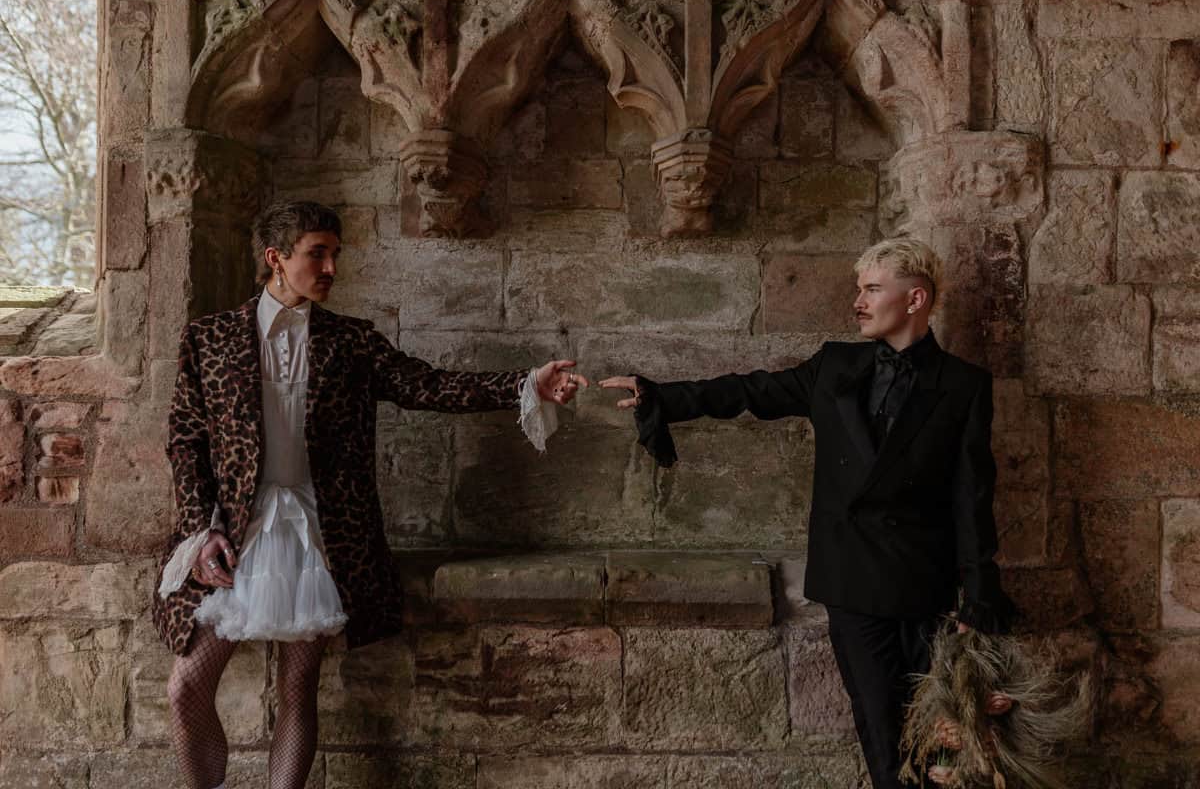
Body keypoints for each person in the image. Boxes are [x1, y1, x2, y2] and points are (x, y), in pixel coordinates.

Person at [151, 200, 588, 789]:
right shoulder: (208, 337)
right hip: (230, 531)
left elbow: (428, 385)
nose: (331, 266)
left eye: (336, 254)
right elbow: (186, 439)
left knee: (298, 688)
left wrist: (523, 383)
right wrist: (201, 531)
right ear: (275, 258)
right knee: (187, 688)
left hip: (319, 530)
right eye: (317, 253)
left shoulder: (351, 341)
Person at [600, 237, 1015, 789]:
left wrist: (980, 594)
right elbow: (753, 391)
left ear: (915, 299)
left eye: (871, 289)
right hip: (851, 582)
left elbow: (972, 495)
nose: (858, 303)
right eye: (859, 290)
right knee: (880, 729)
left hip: (925, 585)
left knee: (944, 739)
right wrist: (664, 398)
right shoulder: (835, 366)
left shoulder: (964, 385)